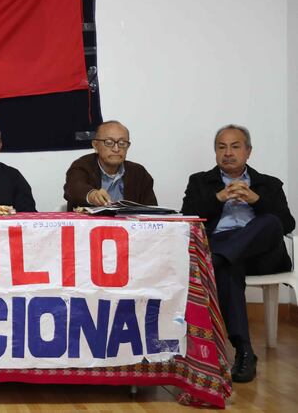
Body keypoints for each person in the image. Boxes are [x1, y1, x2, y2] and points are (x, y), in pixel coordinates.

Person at [181, 124, 293, 383]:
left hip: (263, 255)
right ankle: (244, 351)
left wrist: (256, 200)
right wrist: (218, 197)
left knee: (270, 222)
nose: (228, 153)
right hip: (225, 248)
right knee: (230, 266)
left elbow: (287, 224)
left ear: (248, 152)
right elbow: (188, 218)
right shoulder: (199, 181)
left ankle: (215, 261)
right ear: (215, 152)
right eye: (222, 147)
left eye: (235, 146)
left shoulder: (269, 184)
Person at [63, 120, 157, 211]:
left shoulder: (139, 172)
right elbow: (72, 188)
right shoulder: (82, 165)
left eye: (122, 143)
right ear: (96, 146)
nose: (116, 149)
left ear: (127, 147)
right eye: (109, 143)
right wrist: (92, 195)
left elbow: (152, 210)